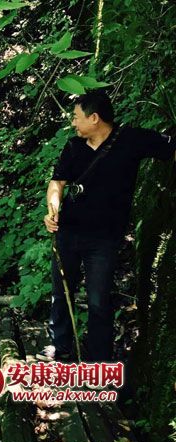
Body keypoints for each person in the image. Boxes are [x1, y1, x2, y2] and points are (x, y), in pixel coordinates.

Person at [38, 90, 175, 362]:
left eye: (76, 118)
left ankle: (99, 360)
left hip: (104, 239)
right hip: (68, 232)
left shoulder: (131, 140)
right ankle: (59, 346)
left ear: (94, 118)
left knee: (99, 300)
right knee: (61, 293)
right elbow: (57, 182)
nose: (73, 123)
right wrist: (52, 209)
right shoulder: (74, 147)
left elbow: (170, 147)